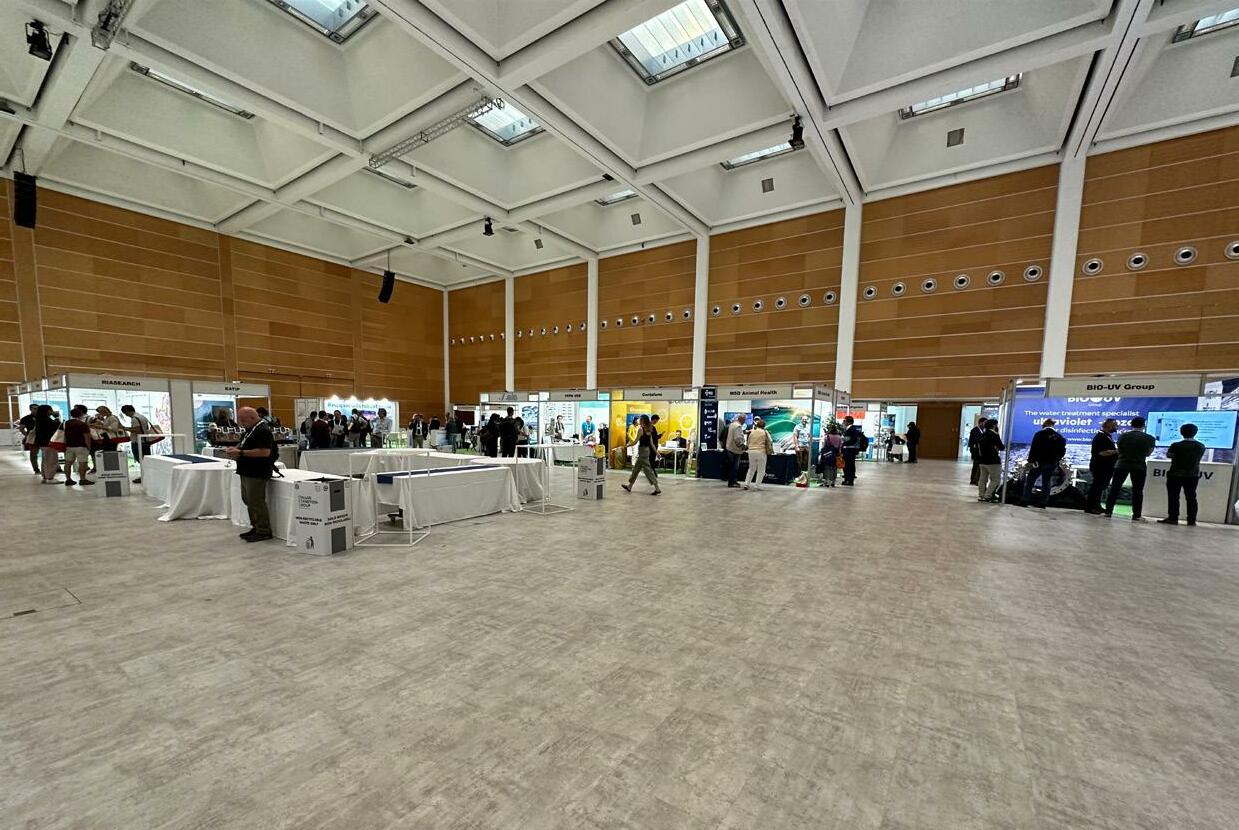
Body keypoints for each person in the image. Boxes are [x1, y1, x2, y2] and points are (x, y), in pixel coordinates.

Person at [226, 407, 279, 543]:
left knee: (256, 501)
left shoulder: (263, 430)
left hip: (257, 471)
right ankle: (256, 526)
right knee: (248, 500)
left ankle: (263, 530)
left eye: (243, 420)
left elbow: (265, 452)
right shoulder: (251, 429)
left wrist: (241, 453)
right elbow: (244, 443)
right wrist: (236, 449)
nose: (241, 423)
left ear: (252, 417)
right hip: (246, 470)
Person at [1105, 416, 1156, 522]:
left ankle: (1108, 511)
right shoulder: (1150, 438)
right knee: (1138, 490)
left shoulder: (1123, 436)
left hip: (1122, 465)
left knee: (1115, 488)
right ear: (1144, 425)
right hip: (1139, 466)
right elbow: (1148, 454)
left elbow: (1119, 450)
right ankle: (1137, 515)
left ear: (1131, 425)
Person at [1160, 423, 1205, 526]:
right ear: (1195, 433)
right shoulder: (1200, 446)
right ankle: (1191, 520)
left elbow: (1169, 455)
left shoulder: (1176, 445)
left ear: (1181, 432)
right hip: (1192, 475)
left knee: (1173, 496)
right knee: (1191, 497)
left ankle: (1173, 518)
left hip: (1175, 474)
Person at [1022, 418, 1066, 509]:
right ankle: (1043, 503)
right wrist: (1056, 460)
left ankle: (1025, 501)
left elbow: (1034, 448)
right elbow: (1062, 451)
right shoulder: (1059, 436)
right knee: (1046, 482)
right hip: (1051, 463)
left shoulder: (1039, 434)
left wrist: (1031, 461)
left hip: (1038, 462)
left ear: (1044, 425)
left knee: (1030, 481)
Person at [1085, 418, 1120, 515]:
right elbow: (1102, 452)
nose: (1116, 427)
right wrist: (1117, 451)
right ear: (1109, 426)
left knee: (1100, 487)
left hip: (1105, 466)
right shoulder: (1101, 437)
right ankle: (1091, 507)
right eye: (1115, 425)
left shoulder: (1107, 436)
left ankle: (1096, 505)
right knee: (1097, 486)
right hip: (1100, 466)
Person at [620, 414, 661, 495]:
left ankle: (657, 488)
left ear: (642, 421)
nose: (638, 420)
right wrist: (657, 453)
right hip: (647, 451)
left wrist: (626, 446)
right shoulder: (649, 429)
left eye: (640, 419)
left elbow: (635, 442)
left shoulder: (641, 429)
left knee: (648, 471)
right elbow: (651, 443)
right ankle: (629, 486)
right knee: (636, 469)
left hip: (642, 452)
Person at [62, 404, 94, 487]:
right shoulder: (83, 424)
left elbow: (63, 435)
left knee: (68, 463)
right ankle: (82, 479)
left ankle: (68, 479)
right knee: (82, 463)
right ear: (80, 414)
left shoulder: (65, 423)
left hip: (69, 446)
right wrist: (89, 447)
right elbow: (87, 437)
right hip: (81, 446)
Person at [120, 404, 153, 483]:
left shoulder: (135, 419)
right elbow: (145, 428)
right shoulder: (142, 416)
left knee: (141, 460)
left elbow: (137, 430)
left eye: (125, 413)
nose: (126, 415)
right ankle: (147, 476)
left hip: (138, 442)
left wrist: (125, 428)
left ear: (127, 411)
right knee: (145, 460)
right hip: (145, 441)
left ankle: (144, 476)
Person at [976, 418, 1005, 503]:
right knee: (995, 480)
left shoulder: (983, 434)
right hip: (993, 461)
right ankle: (988, 495)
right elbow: (1001, 447)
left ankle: (981, 495)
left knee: (982, 479)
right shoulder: (994, 435)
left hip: (982, 461)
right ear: (994, 425)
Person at [743, 416, 774, 491]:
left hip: (751, 452)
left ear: (757, 425)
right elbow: (770, 441)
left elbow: (748, 442)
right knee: (761, 470)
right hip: (761, 451)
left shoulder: (752, 432)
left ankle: (746, 484)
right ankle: (757, 486)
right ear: (764, 426)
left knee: (751, 469)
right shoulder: (765, 432)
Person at [32, 404, 60, 483]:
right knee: (51, 460)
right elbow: (56, 426)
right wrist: (57, 417)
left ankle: (45, 477)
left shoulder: (39, 419)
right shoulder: (46, 419)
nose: (52, 412)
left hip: (42, 442)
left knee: (45, 460)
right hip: (48, 442)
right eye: (51, 410)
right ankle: (50, 478)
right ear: (47, 411)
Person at [723, 413, 746, 488]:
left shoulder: (732, 424)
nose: (745, 421)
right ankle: (732, 482)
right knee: (734, 467)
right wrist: (743, 446)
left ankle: (732, 481)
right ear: (742, 419)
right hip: (735, 450)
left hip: (729, 448)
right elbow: (737, 439)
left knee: (731, 467)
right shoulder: (738, 426)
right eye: (744, 419)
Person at [840, 416, 864, 486]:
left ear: (849, 422)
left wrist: (845, 442)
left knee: (848, 465)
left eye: (845, 421)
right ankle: (848, 479)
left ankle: (849, 480)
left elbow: (853, 439)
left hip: (849, 450)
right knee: (848, 465)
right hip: (849, 450)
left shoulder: (852, 429)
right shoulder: (850, 429)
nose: (843, 422)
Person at [19, 404, 39, 475]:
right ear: (30, 409)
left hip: (43, 437)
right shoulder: (26, 418)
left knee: (46, 453)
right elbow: (21, 428)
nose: (36, 410)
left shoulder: (42, 417)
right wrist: (27, 436)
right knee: (33, 454)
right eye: (34, 408)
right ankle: (36, 469)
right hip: (32, 438)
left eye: (37, 408)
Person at [967, 416, 986, 485]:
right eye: (984, 423)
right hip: (976, 451)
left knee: (978, 466)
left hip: (979, 451)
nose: (985, 424)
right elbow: (976, 440)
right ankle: (974, 480)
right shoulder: (975, 430)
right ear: (980, 423)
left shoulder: (983, 430)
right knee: (976, 465)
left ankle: (975, 480)